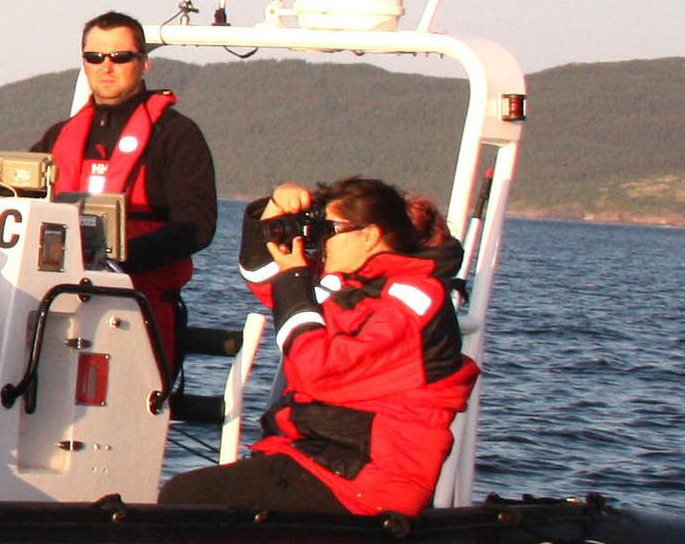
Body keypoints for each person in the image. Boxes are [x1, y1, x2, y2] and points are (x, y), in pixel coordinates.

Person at [164, 178, 478, 516]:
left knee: (185, 496)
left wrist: (295, 281)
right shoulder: (354, 284)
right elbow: (263, 273)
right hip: (322, 459)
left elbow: (319, 371)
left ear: (369, 235)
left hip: (365, 480)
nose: (321, 241)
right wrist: (273, 212)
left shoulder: (413, 300)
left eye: (330, 230)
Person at [38, 11, 217, 386]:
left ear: (144, 62)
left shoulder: (176, 136)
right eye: (95, 57)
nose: (106, 67)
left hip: (140, 309)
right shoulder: (59, 136)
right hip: (57, 310)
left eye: (120, 57)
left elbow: (196, 227)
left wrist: (117, 259)